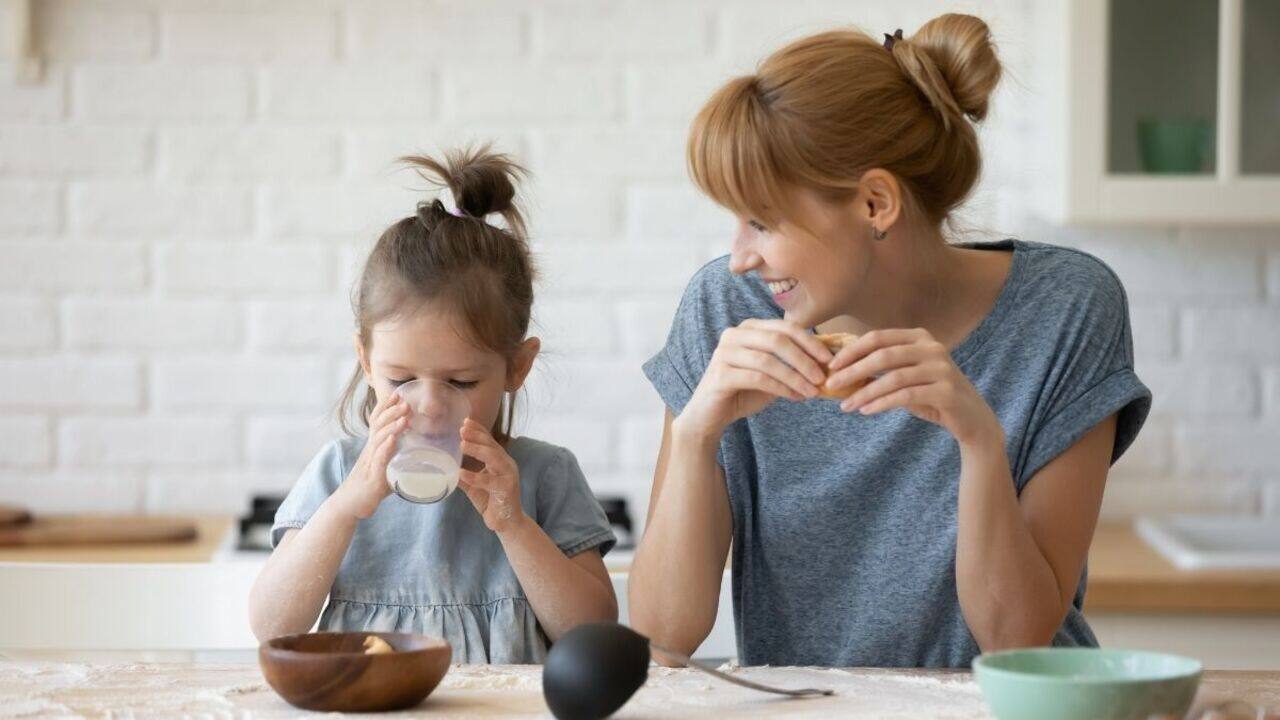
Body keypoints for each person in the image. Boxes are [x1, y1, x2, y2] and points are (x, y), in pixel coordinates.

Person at [628, 14, 1152, 668]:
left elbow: (1017, 641)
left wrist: (979, 442)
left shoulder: (1064, 308)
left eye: (763, 221)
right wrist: (695, 434)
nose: (740, 259)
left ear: (875, 203)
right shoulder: (726, 311)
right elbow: (663, 635)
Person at [249, 147, 617, 664]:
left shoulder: (544, 475)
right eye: (400, 379)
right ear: (366, 361)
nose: (428, 405)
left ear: (517, 367)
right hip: (373, 700)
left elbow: (594, 635)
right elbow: (271, 626)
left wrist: (515, 525)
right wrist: (345, 507)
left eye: (461, 381)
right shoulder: (340, 472)